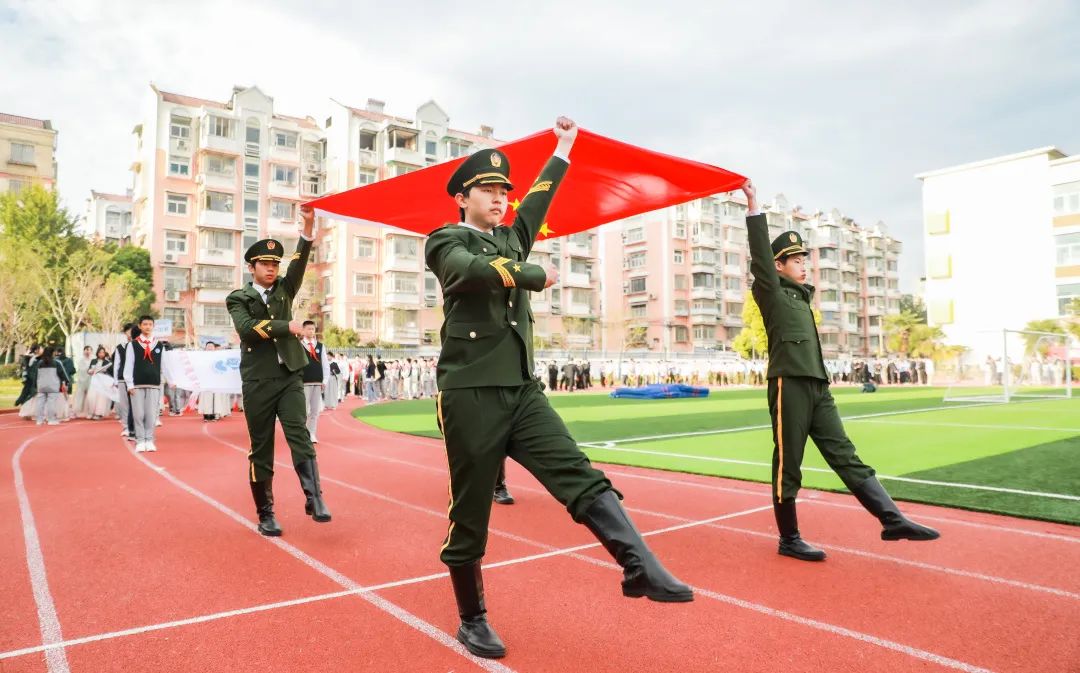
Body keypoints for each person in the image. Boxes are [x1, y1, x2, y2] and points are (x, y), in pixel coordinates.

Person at [425, 117, 691, 660]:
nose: (499, 198)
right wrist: (530, 274)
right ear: (462, 198)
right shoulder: (445, 239)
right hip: (471, 392)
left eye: (503, 190)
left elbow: (540, 197)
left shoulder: (512, 235)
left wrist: (563, 148)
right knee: (470, 511)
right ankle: (472, 617)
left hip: (522, 390)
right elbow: (468, 270)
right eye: (487, 189)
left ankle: (639, 565)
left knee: (576, 471)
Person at [742, 179, 938, 563]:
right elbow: (760, 254)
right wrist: (753, 205)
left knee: (845, 454)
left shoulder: (801, 298)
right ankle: (789, 538)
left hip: (818, 387)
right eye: (795, 260)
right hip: (789, 384)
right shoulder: (770, 290)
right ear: (778, 265)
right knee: (788, 463)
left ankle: (892, 519)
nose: (803, 265)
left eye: (804, 260)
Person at [225, 207, 331, 536]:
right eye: (265, 264)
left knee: (300, 434)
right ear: (251, 267)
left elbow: (300, 261)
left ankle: (314, 497)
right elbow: (247, 329)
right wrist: (288, 326)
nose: (271, 268)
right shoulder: (238, 298)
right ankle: (266, 513)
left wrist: (308, 228)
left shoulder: (285, 289)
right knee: (262, 448)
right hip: (258, 381)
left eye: (275, 264)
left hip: (289, 377)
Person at [123, 316, 167, 452]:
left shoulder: (159, 345)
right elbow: (128, 365)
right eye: (145, 324)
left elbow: (164, 366)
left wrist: (167, 380)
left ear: (153, 326)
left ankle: (149, 439)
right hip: (137, 385)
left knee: (151, 414)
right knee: (138, 414)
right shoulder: (133, 345)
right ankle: (140, 440)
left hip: (154, 384)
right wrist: (129, 384)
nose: (148, 327)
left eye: (150, 324)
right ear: (140, 326)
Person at [299, 321, 330, 443]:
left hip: (317, 382)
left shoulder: (320, 346)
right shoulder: (299, 345)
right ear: (303, 330)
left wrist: (325, 380)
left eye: (313, 329)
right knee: (303, 411)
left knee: (315, 411)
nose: (311, 331)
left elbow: (325, 365)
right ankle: (302, 434)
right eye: (308, 329)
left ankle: (311, 433)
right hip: (304, 382)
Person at [31, 348, 71, 425]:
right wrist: (66, 382)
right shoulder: (56, 362)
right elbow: (62, 373)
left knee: (40, 403)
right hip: (53, 386)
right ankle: (51, 419)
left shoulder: (40, 363)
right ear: (52, 353)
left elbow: (36, 375)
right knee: (51, 403)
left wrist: (35, 385)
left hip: (41, 386)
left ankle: (39, 420)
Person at [113, 323, 137, 440]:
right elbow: (116, 364)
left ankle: (135, 427)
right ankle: (126, 427)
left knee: (135, 404)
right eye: (128, 331)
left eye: (132, 331)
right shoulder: (120, 347)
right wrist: (115, 380)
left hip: (136, 379)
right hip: (122, 379)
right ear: (125, 333)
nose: (130, 333)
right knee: (124, 404)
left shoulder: (139, 346)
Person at [85, 346, 115, 419]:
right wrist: (90, 371)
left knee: (101, 398)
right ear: (97, 353)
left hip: (103, 382)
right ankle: (91, 412)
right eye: (100, 352)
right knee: (91, 397)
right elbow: (89, 370)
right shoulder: (93, 361)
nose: (101, 354)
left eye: (103, 352)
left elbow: (112, 373)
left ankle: (98, 413)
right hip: (94, 380)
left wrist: (105, 371)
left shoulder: (107, 362)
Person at [72, 345, 93, 418]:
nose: (87, 352)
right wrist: (88, 370)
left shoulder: (93, 360)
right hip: (82, 381)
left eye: (89, 350)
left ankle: (89, 412)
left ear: (91, 351)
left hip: (91, 381)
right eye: (86, 350)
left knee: (90, 397)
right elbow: (81, 371)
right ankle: (76, 411)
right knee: (80, 396)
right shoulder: (81, 361)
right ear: (84, 351)